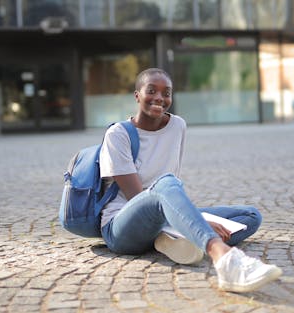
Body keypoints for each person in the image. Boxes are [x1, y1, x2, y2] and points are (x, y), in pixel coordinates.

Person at [99, 68, 282, 293]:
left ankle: (170, 241)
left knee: (250, 216)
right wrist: (201, 223)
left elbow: (170, 185)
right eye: (151, 91)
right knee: (165, 183)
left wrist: (193, 220)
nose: (159, 98)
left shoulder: (177, 126)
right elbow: (139, 197)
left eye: (166, 93)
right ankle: (224, 259)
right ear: (137, 95)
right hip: (122, 228)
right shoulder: (118, 134)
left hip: (160, 214)